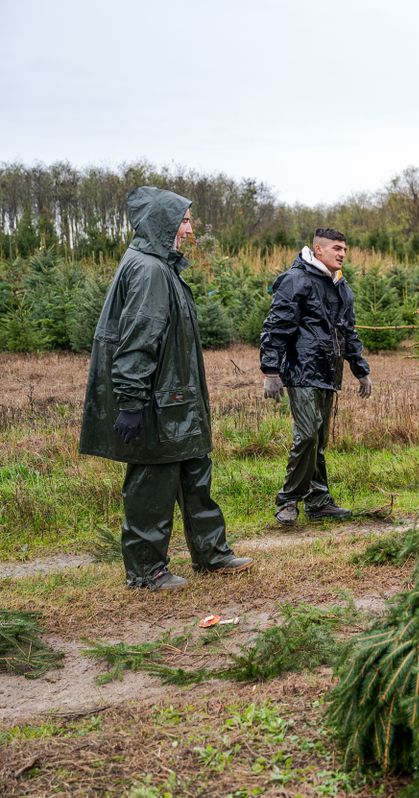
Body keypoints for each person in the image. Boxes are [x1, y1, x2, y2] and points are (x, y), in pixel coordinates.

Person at [80, 186, 253, 590]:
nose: (190, 229)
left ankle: (211, 553)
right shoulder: (149, 270)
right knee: (152, 483)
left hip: (179, 400)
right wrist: (131, 401)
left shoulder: (163, 266)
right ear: (164, 223)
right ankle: (146, 570)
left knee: (196, 473)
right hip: (159, 403)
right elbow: (138, 339)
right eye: (185, 220)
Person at [259, 228, 371, 525]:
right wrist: (271, 371)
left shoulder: (340, 286)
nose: (342, 254)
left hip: (328, 372)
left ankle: (318, 501)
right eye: (336, 248)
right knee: (307, 435)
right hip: (301, 370)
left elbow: (348, 331)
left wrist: (360, 370)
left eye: (345, 249)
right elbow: (276, 326)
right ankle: (288, 499)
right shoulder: (296, 280)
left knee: (318, 440)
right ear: (318, 250)